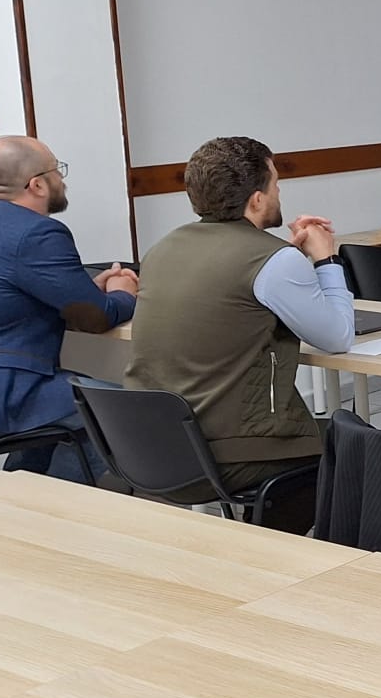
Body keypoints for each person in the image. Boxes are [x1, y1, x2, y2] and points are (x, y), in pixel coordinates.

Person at [126, 137, 353, 533]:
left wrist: (286, 260)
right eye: (275, 184)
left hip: (151, 446)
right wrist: (326, 260)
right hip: (226, 452)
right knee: (353, 443)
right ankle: (283, 557)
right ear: (257, 200)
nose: (278, 192)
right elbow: (337, 337)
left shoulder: (163, 248)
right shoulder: (273, 261)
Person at [0, 137, 137, 483]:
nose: (62, 180)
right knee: (116, 407)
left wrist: (80, 290)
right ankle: (73, 515)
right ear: (36, 184)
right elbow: (96, 318)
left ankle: (28, 505)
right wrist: (125, 294)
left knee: (67, 412)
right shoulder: (37, 233)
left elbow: (3, 294)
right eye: (57, 170)